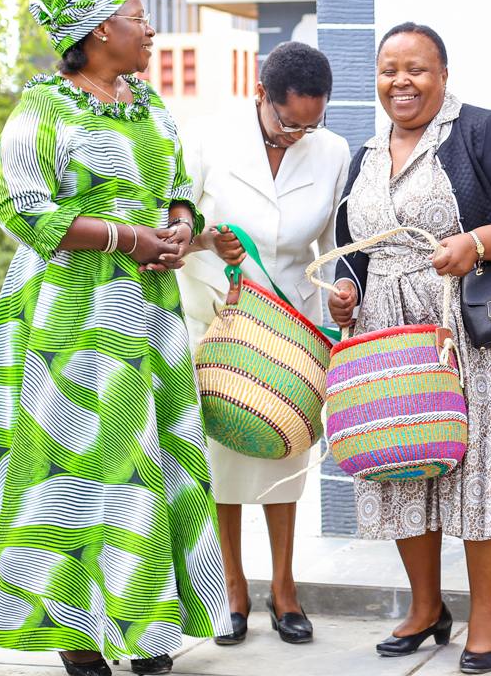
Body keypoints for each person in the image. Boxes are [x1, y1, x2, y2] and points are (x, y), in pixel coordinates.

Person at [0, 0, 230, 676]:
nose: (151, 31)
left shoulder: (146, 103)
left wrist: (178, 228)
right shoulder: (43, 108)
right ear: (100, 32)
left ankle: (147, 626)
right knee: (72, 464)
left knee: (148, 462)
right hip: (69, 314)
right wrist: (129, 238)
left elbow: (179, 183)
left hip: (149, 313)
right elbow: (22, 208)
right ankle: (73, 633)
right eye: (137, 19)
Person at [327, 22, 491, 675]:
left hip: (470, 331)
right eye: (389, 70)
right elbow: (356, 243)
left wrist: (484, 240)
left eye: (416, 69)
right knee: (406, 460)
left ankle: (486, 615)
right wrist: (346, 291)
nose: (400, 82)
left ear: (443, 74)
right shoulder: (368, 153)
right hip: (390, 331)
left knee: (481, 470)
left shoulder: (479, 131)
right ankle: (425, 607)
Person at [177, 41, 350, 644]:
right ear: (261, 96)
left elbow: (333, 248)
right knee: (222, 458)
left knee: (285, 455)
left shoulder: (332, 151)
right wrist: (206, 242)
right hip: (217, 323)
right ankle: (231, 589)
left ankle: (285, 589)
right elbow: (173, 229)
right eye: (287, 122)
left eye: (312, 122)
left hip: (289, 329)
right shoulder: (206, 137)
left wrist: (341, 294)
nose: (299, 134)